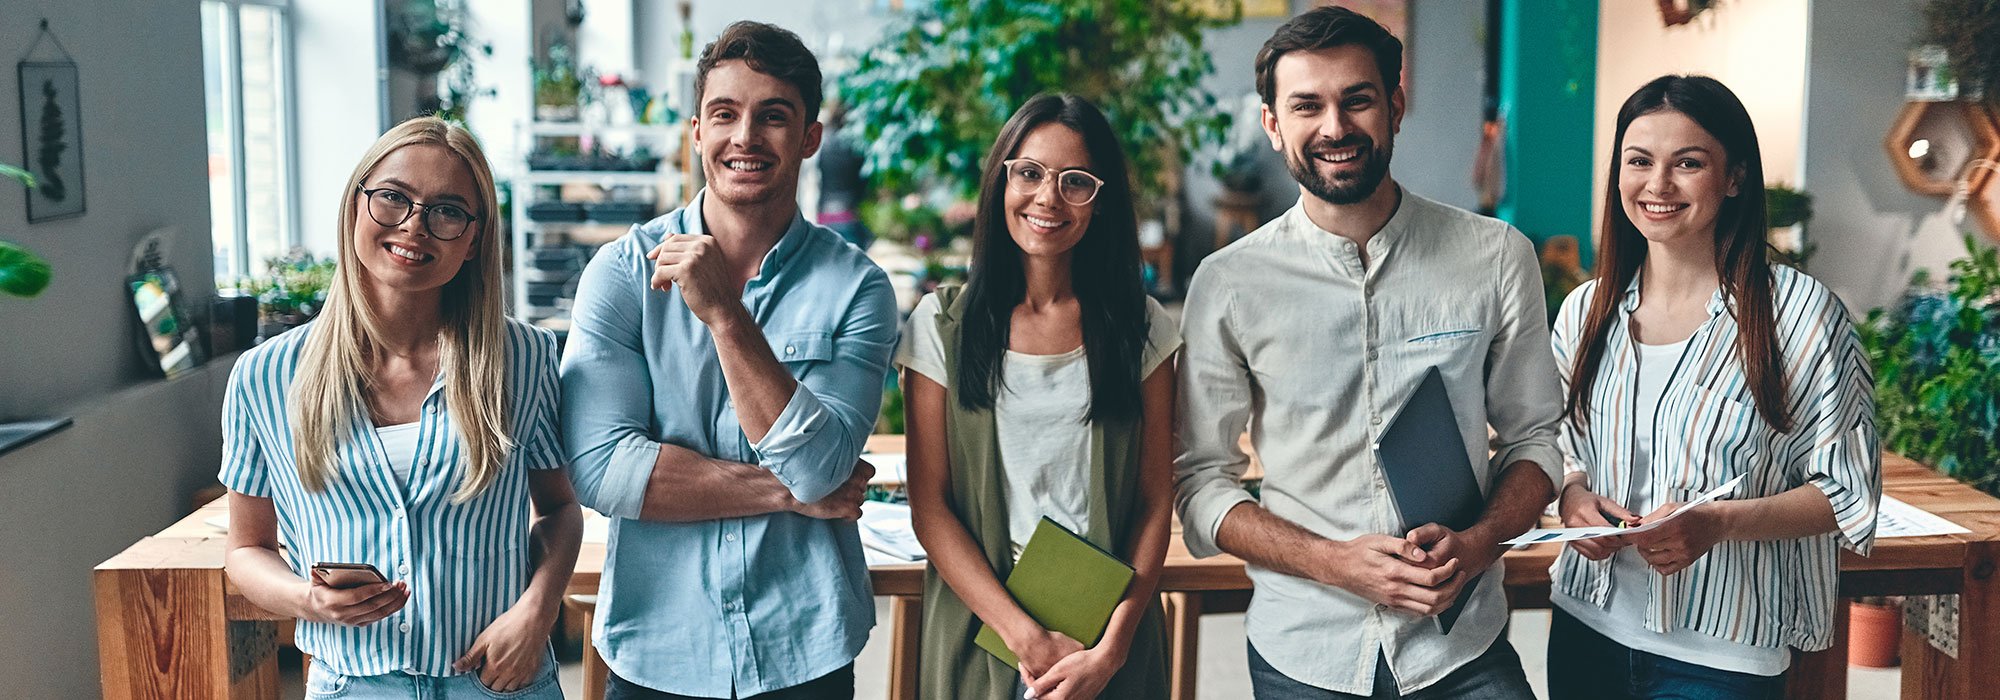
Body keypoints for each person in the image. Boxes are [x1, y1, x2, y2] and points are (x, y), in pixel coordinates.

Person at [1174, 7, 1561, 698]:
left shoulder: (1497, 257)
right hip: (1306, 648)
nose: (1334, 127)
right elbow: (1203, 480)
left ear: (1396, 105)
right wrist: (1330, 562)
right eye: (1306, 105)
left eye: (1357, 99)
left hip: (1463, 649)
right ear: (1272, 124)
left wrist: (1476, 546)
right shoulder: (1228, 284)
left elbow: (1534, 442)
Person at [559, 20, 898, 700]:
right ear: (696, 133)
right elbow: (601, 472)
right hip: (657, 647)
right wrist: (790, 493)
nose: (745, 137)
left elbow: (820, 467)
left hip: (804, 650)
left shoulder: (859, 288)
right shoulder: (623, 273)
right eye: (725, 114)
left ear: (809, 138)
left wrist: (724, 314)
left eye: (773, 117)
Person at [220, 115, 581, 699]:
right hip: (352, 686)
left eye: (447, 211)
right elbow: (247, 549)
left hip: (497, 681)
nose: (415, 227)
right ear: (355, 206)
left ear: (473, 239)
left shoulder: (524, 358)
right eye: (393, 198)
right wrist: (308, 601)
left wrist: (536, 613)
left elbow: (560, 510)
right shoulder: (266, 376)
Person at [1546, 75, 1881, 700]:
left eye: (1689, 163)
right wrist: (1572, 497)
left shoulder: (1801, 317)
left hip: (1722, 655)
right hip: (1586, 627)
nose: (1658, 185)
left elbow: (1848, 493)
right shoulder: (1584, 311)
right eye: (1639, 161)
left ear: (1735, 178)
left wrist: (1720, 524)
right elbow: (1559, 447)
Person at [900, 93, 1179, 700]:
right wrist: (1030, 640)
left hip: (1107, 640)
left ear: (1099, 201)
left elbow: (1157, 501)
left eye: (1074, 181)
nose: (1048, 198)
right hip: (985, 630)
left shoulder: (1143, 327)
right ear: (1001, 180)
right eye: (1029, 173)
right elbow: (931, 507)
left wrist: (1112, 649)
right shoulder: (941, 326)